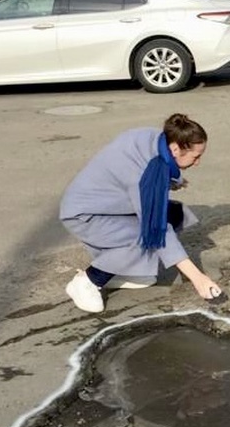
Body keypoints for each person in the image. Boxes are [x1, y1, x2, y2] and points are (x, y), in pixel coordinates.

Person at [59, 114, 221, 313]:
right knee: (148, 236)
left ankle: (118, 269)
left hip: (107, 206)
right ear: (175, 148)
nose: (197, 163)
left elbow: (149, 169)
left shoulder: (156, 139)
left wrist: (172, 181)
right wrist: (198, 278)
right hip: (85, 216)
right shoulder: (143, 177)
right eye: (195, 157)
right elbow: (157, 229)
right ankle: (89, 281)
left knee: (175, 214)